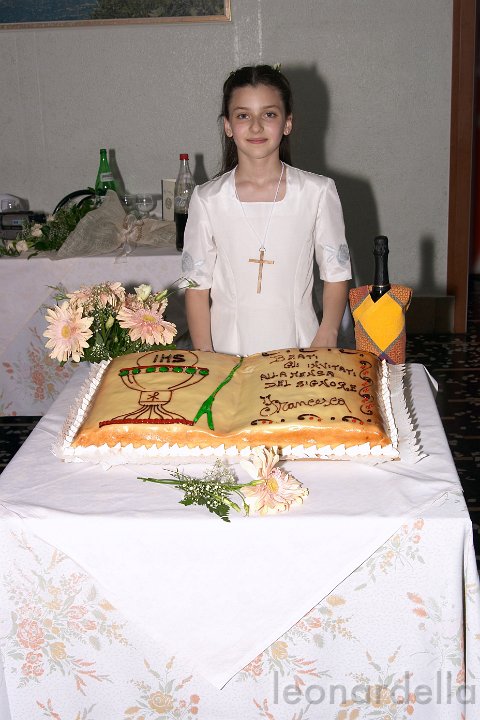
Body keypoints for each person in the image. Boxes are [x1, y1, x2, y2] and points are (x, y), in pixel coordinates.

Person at [182, 64, 351, 356]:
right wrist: (205, 354)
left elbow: (336, 273)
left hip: (300, 344)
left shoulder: (317, 192)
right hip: (228, 349)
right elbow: (196, 287)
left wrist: (328, 331)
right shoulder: (208, 199)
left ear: (287, 123)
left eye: (269, 114)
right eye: (243, 115)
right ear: (228, 126)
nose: (256, 126)